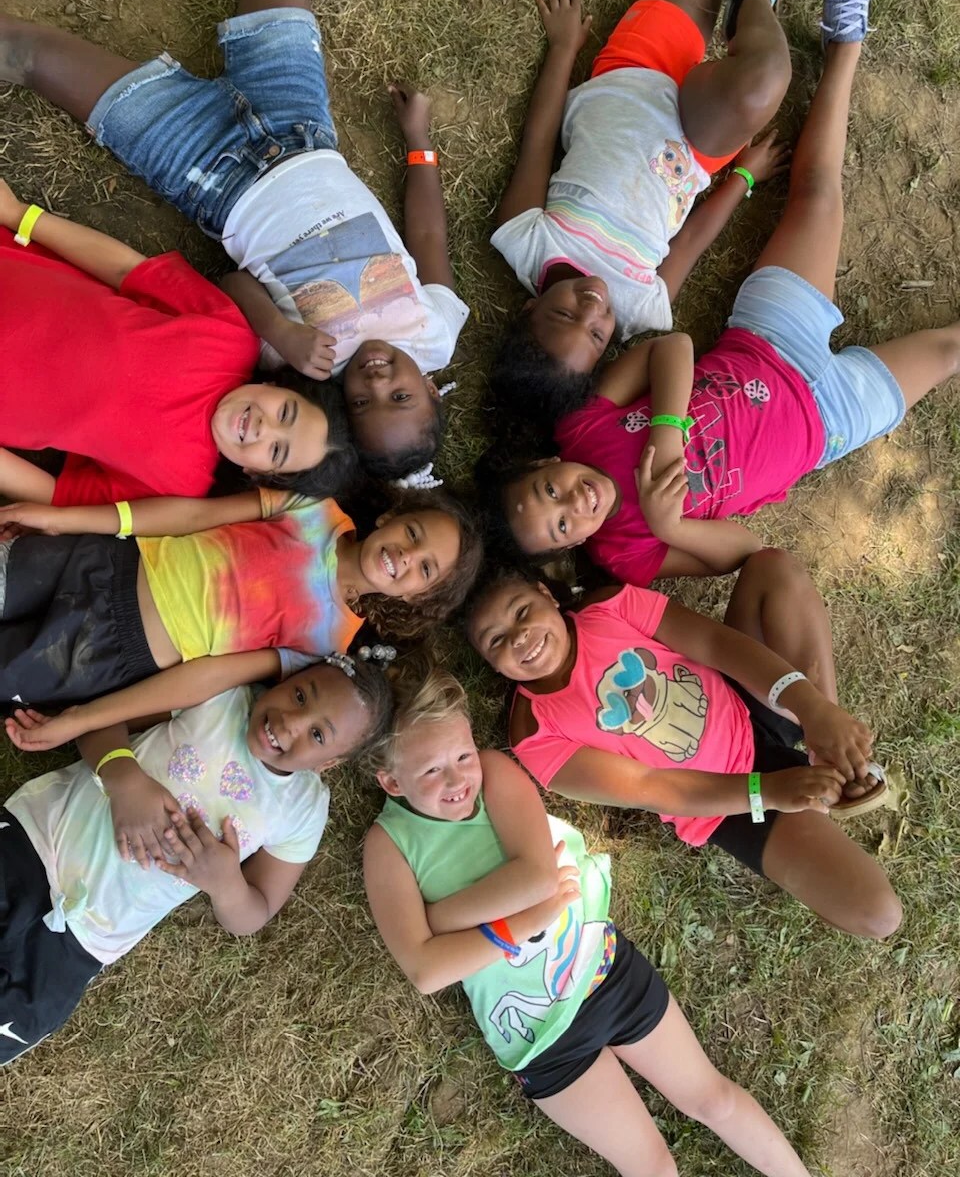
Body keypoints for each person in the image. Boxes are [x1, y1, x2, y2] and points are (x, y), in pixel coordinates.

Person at [492, 0, 960, 584]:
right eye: (563, 526)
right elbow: (746, 557)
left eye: (551, 491)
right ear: (564, 556)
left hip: (768, 340)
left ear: (541, 461)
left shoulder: (584, 423)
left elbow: (674, 346)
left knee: (818, 193)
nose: (575, 502)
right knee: (947, 350)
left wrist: (664, 428)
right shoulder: (626, 554)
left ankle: (844, 45)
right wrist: (672, 526)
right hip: (826, 426)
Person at [0, 0, 469, 480]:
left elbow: (234, 284)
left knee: (31, 57)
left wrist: (281, 332)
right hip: (299, 122)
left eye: (363, 403)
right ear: (432, 388)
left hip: (202, 168)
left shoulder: (302, 373)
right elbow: (427, 233)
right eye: (402, 395)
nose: (377, 383)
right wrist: (418, 142)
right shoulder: (438, 333)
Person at [363, 661, 815, 1177]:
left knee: (713, 1100)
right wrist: (522, 924)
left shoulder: (492, 771)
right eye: (430, 770)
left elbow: (537, 878)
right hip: (539, 1037)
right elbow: (425, 971)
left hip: (604, 969)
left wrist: (441, 919)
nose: (457, 779)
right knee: (652, 1167)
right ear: (391, 782)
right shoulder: (388, 846)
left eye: (462, 754)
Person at [467, 551, 902, 941]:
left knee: (774, 568)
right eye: (497, 641)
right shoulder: (534, 732)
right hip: (726, 803)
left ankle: (827, 748)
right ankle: (818, 776)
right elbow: (654, 786)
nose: (519, 637)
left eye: (522, 611)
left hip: (744, 699)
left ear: (546, 593)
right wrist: (767, 791)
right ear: (493, 665)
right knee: (879, 914)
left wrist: (813, 709)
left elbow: (714, 643)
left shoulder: (609, 605)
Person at [0, 648, 393, 1064]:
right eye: (299, 696)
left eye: (318, 734)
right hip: (36, 841)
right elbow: (101, 717)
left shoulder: (303, 810)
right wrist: (125, 780)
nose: (290, 722)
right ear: (285, 680)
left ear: (329, 763)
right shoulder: (219, 698)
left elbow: (256, 911)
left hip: (81, 943)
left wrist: (225, 885)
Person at [489, 0, 792, 400]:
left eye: (565, 312)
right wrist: (744, 178)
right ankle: (753, 0)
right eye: (595, 333)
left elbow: (538, 140)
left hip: (635, 71)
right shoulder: (637, 309)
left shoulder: (525, 243)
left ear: (528, 309)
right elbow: (692, 240)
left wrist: (564, 48)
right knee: (762, 84)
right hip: (700, 139)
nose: (592, 305)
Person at [0, 180, 357, 505]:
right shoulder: (230, 335)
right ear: (275, 384)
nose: (266, 428)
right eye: (285, 412)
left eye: (277, 451)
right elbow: (126, 270)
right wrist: (20, 216)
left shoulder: (180, 485)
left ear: (258, 474)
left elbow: (60, 493)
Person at [0, 484, 482, 716]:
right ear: (392, 515)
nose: (408, 554)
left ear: (418, 599)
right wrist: (66, 519)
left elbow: (210, 675)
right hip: (101, 561)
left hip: (111, 655)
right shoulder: (314, 509)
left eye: (425, 570)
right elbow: (193, 516)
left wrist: (82, 719)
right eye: (414, 533)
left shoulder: (328, 644)